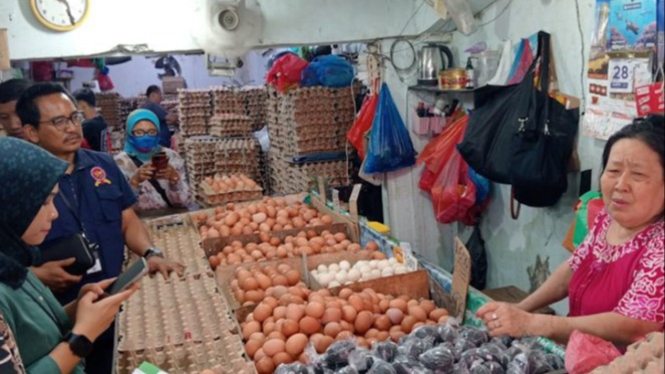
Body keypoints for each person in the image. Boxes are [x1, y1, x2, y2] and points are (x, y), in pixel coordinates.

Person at [15, 83, 185, 373]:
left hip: (113, 303)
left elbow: (126, 219)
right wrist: (34, 276)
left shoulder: (103, 166)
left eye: (74, 117)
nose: (71, 128)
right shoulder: (20, 185)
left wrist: (150, 252)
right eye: (58, 121)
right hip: (59, 318)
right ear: (31, 132)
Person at [477, 115, 665, 348]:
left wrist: (534, 323)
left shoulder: (660, 244)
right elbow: (573, 268)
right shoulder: (608, 219)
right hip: (582, 354)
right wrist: (522, 307)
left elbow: (634, 325)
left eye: (638, 175)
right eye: (614, 170)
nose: (620, 185)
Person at [0, 137, 138, 373]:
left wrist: (78, 308)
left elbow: (35, 332)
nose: (54, 214)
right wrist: (82, 336)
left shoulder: (13, 263)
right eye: (43, 203)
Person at [114, 109, 194, 212]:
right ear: (129, 133)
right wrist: (134, 182)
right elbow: (118, 208)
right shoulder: (119, 163)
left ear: (158, 133)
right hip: (138, 224)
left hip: (172, 222)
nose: (146, 137)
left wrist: (174, 179)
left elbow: (185, 202)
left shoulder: (171, 157)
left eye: (152, 132)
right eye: (139, 132)